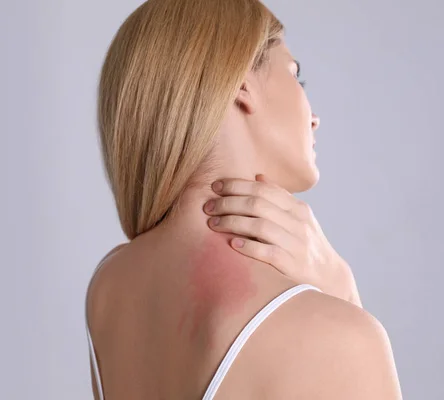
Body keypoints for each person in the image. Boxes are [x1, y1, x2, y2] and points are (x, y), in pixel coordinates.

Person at [85, 0, 403, 398]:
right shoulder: (335, 336)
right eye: (295, 76)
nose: (314, 117)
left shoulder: (110, 287)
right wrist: (347, 300)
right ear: (241, 84)